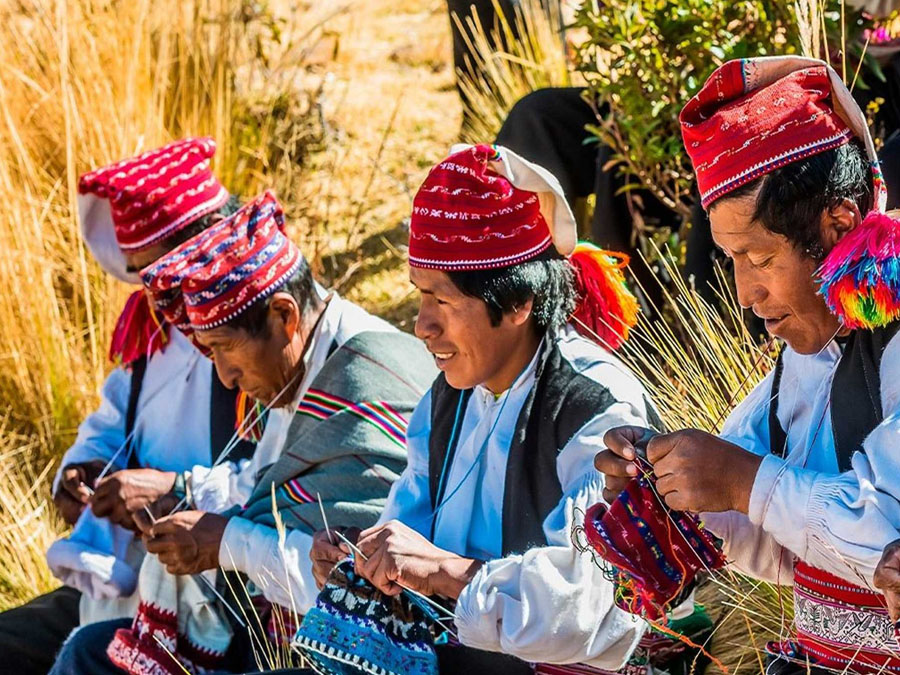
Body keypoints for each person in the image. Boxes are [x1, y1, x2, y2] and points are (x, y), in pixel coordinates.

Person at [595, 56, 900, 673]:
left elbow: (883, 532)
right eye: (732, 259)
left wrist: (744, 481)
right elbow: (784, 545)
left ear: (838, 222)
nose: (745, 293)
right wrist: (675, 489)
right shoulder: (799, 369)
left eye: (759, 258)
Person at [306, 144, 661, 674]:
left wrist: (448, 572)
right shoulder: (447, 399)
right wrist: (368, 562)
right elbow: (408, 531)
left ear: (518, 303)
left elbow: (595, 606)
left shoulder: (597, 411)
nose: (422, 326)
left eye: (443, 301)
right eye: (420, 297)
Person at [49, 191, 437, 675]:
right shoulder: (293, 369)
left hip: (346, 652)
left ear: (284, 316)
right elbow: (264, 497)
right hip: (266, 624)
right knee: (88, 650)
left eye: (225, 349)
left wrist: (226, 540)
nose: (227, 377)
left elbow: (369, 584)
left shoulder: (363, 384)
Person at [0, 138, 250, 675]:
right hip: (125, 586)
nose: (151, 293)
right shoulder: (151, 338)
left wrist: (172, 489)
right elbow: (107, 428)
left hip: (215, 603)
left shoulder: (255, 340)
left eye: (160, 271)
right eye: (140, 274)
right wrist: (80, 475)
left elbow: (281, 481)